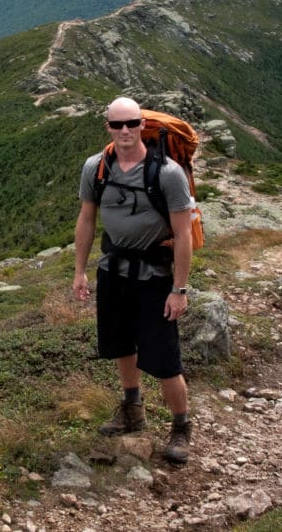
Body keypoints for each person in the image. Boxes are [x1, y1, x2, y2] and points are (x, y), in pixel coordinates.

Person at [73, 96, 195, 464]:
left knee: (163, 356)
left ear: (143, 125)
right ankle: (132, 409)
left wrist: (180, 289)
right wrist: (79, 270)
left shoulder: (168, 173)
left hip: (155, 276)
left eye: (131, 123)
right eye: (116, 125)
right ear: (107, 127)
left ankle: (181, 427)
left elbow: (183, 234)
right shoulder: (97, 168)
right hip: (113, 271)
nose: (124, 131)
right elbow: (87, 220)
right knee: (121, 344)